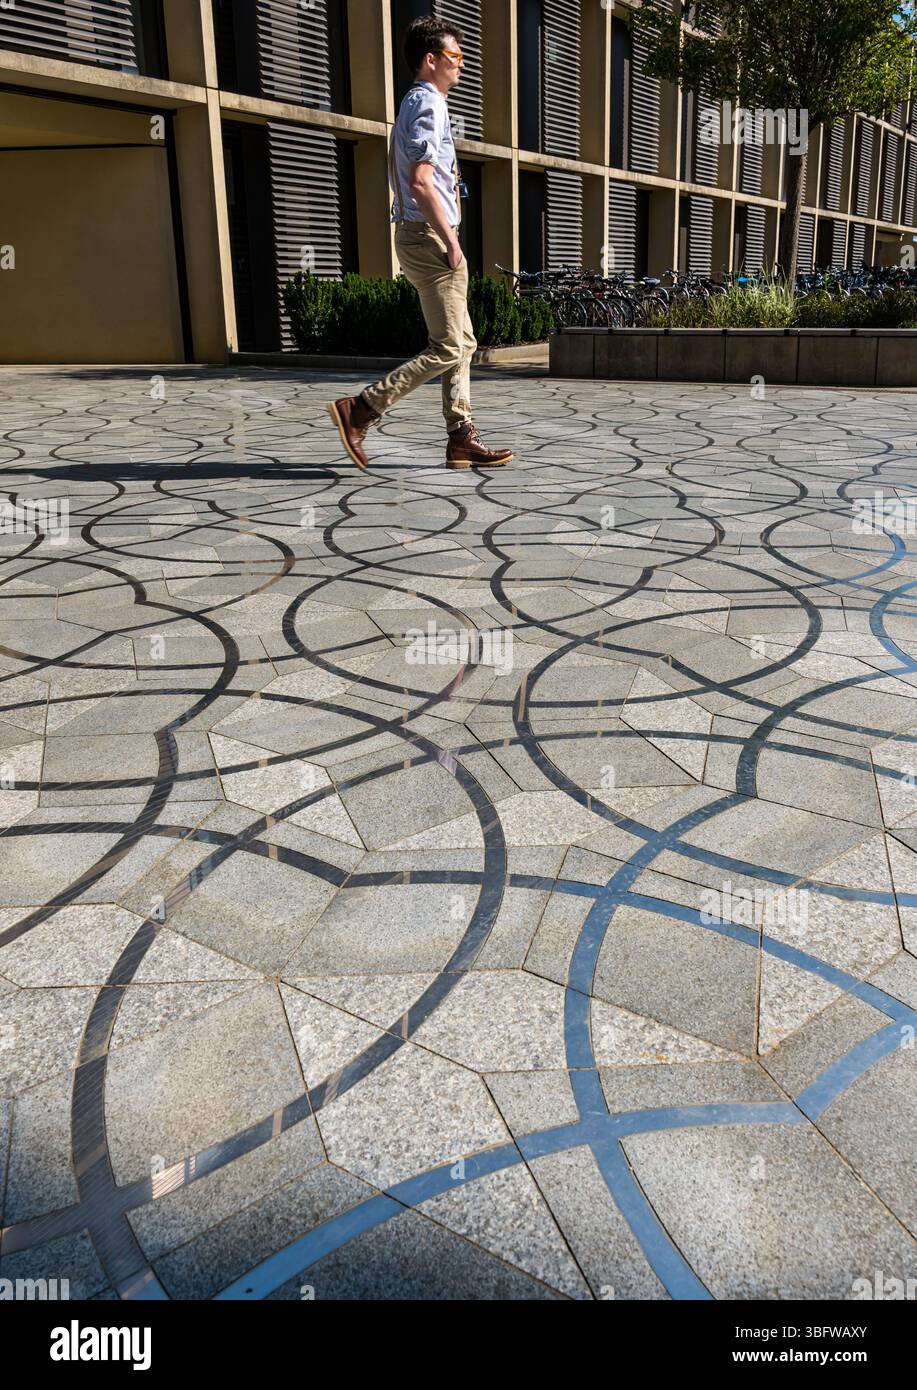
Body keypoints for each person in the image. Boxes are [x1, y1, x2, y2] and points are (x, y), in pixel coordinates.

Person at [328, 16, 514, 471]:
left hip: (419, 234)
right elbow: (422, 180)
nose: (461, 67)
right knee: (449, 346)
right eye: (455, 57)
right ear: (430, 60)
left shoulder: (418, 103)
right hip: (429, 237)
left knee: (462, 341)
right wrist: (451, 242)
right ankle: (362, 408)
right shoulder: (428, 104)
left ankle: (460, 436)